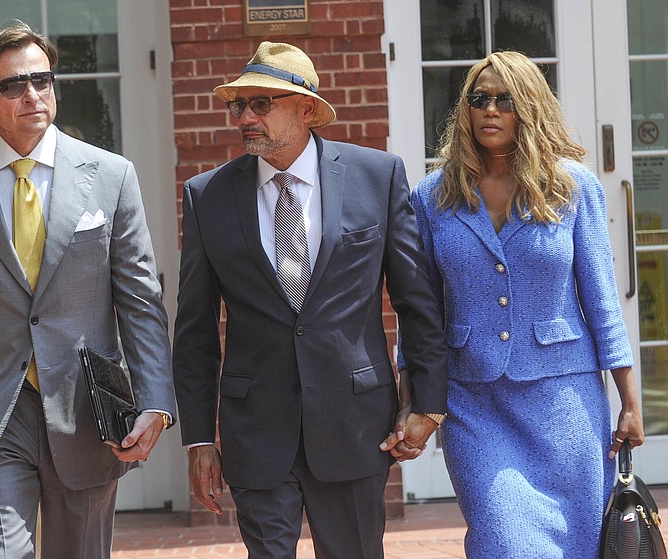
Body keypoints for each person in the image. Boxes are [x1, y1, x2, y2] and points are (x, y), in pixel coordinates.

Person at [0, 20, 175, 559]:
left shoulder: (111, 176)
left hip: (85, 409)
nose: (32, 95)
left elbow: (141, 301)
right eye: (13, 86)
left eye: (42, 81)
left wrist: (155, 400)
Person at [172, 41, 448, 559]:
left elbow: (417, 301)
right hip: (256, 431)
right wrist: (198, 438)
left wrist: (428, 404)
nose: (245, 118)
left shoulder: (378, 176)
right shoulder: (207, 195)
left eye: (261, 104)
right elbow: (195, 330)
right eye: (238, 105)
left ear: (306, 108)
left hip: (355, 425)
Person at [408, 50, 645, 558]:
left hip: (566, 401)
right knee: (503, 539)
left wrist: (629, 400)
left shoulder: (573, 187)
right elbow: (420, 309)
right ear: (466, 109)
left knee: (577, 545)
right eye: (480, 98)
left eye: (506, 99)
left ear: (531, 107)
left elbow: (602, 299)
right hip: (474, 402)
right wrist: (412, 398)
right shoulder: (433, 196)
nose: (491, 109)